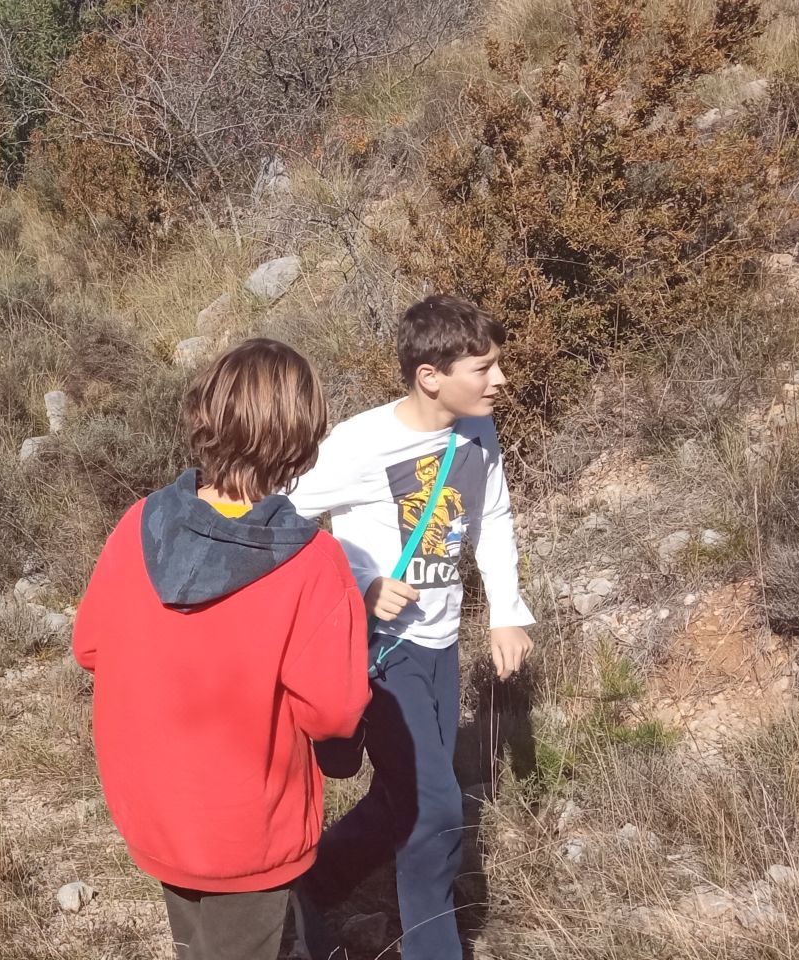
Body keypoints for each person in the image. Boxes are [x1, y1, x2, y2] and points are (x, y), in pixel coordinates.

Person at [73, 338, 369, 960]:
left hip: (154, 809)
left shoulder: (140, 524)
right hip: (248, 828)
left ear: (206, 417)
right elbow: (333, 712)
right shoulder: (313, 562)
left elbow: (90, 645)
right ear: (300, 439)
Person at [287, 295, 537, 960]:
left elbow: (492, 518)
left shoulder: (476, 430)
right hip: (384, 650)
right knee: (435, 810)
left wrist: (506, 612)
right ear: (431, 376)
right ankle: (434, 947)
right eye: (482, 368)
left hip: (441, 641)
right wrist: (360, 583)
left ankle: (317, 880)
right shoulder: (359, 444)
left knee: (405, 796)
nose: (500, 380)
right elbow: (284, 519)